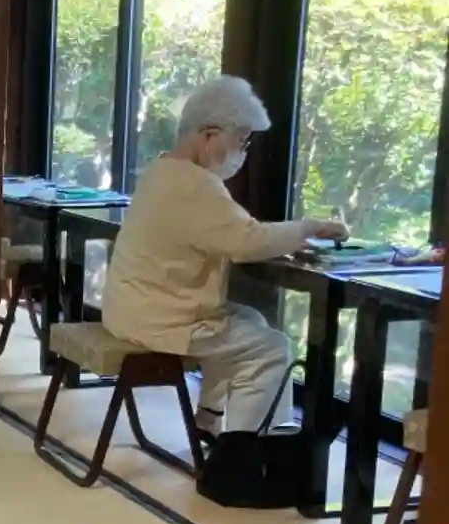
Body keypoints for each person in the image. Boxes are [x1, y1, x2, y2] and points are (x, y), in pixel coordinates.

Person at [103, 77, 349, 436]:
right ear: (209, 134)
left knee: (250, 321)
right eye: (241, 140)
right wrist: (310, 227)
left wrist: (285, 239)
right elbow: (246, 242)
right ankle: (246, 450)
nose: (243, 151)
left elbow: (229, 232)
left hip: (132, 307)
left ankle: (208, 418)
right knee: (272, 349)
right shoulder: (195, 183)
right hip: (159, 319)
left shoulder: (162, 169)